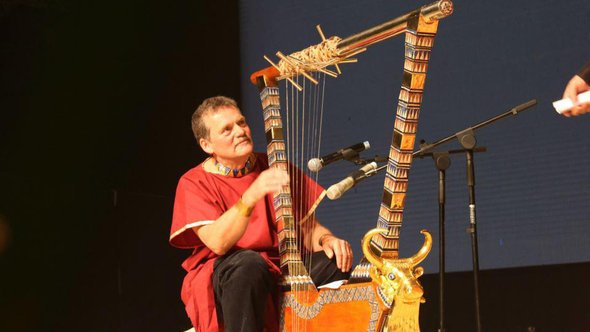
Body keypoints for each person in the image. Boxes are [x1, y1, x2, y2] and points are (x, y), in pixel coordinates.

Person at [169, 96, 353, 332]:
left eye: (241, 123)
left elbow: (310, 230)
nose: (240, 131)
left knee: (334, 260)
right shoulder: (193, 182)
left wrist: (327, 240)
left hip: (277, 267)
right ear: (207, 145)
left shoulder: (273, 166)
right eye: (227, 129)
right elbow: (218, 242)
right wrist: (252, 193)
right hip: (231, 272)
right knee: (249, 265)